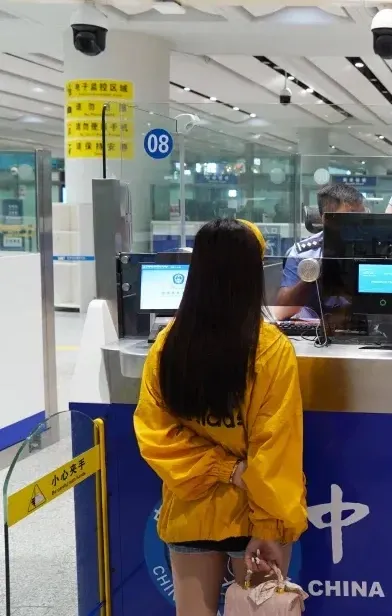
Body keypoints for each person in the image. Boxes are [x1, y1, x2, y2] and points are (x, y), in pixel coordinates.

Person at [134, 218, 306, 616]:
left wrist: (219, 469)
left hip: (189, 512)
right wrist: (266, 524)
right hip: (255, 515)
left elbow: (155, 434)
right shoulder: (270, 350)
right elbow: (276, 446)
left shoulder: (168, 345)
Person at [273, 183, 367, 320]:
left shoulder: (374, 249)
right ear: (326, 219)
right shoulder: (304, 253)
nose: (358, 224)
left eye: (362, 216)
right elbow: (282, 310)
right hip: (313, 327)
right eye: (350, 217)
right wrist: (313, 275)